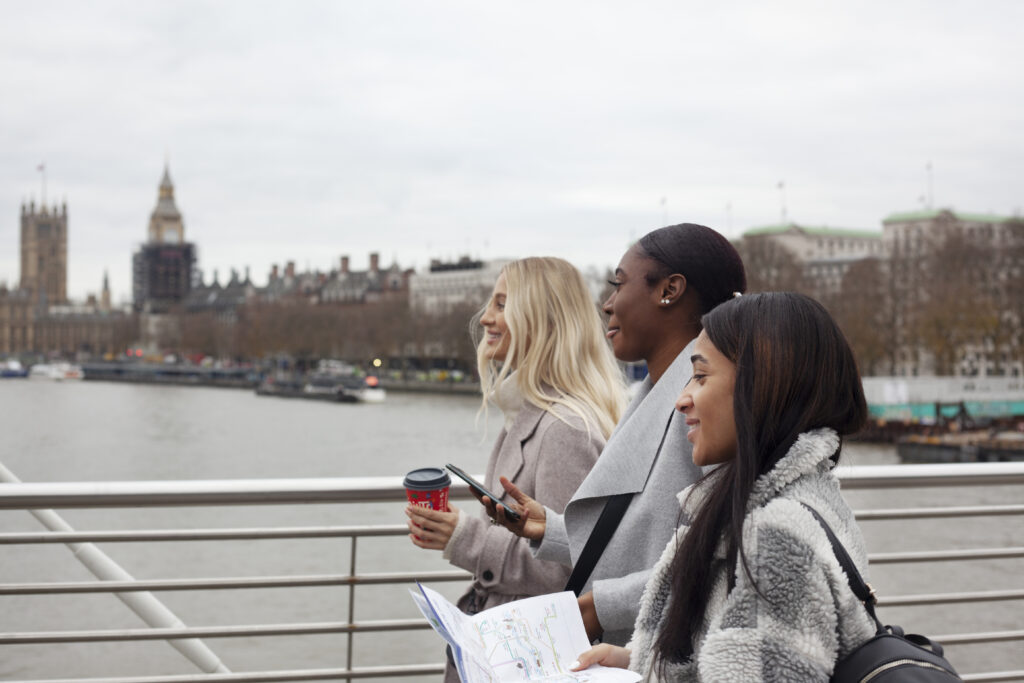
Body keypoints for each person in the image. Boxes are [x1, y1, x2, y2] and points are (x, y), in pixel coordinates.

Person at [570, 292, 877, 681]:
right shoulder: (807, 501)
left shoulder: (773, 536)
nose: (682, 400)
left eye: (700, 376)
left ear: (761, 385)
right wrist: (638, 664)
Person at [486, 223, 748, 646]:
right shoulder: (656, 392)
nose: (608, 303)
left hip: (659, 653)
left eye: (619, 283)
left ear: (670, 290)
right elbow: (648, 541)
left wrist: (601, 606)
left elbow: (721, 559)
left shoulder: (707, 403)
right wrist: (549, 530)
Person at [405, 257, 626, 683]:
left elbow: (567, 569)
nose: (486, 316)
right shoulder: (535, 413)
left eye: (503, 304)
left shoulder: (565, 429)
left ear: (542, 320)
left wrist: (462, 536)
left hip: (525, 661)